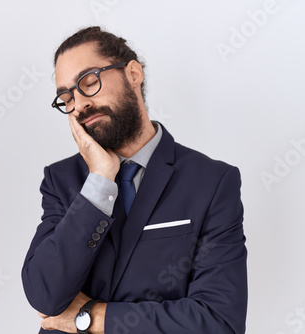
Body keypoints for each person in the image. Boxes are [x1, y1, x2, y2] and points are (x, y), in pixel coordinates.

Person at [21, 26, 247, 334]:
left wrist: (89, 317)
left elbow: (218, 322)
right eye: (66, 96)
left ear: (133, 74)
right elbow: (45, 296)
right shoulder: (62, 180)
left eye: (89, 82)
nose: (80, 104)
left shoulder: (212, 182)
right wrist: (99, 181)